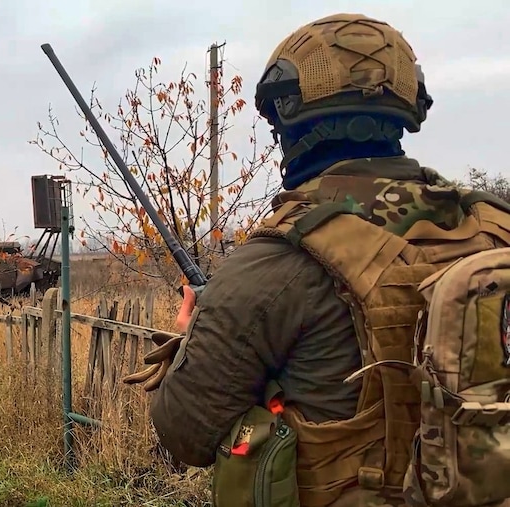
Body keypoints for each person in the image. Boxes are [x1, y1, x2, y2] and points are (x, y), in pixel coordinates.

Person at [124, 12, 510, 507]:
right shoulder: (494, 226)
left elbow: (185, 432)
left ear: (287, 117)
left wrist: (191, 334)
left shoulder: (279, 260)